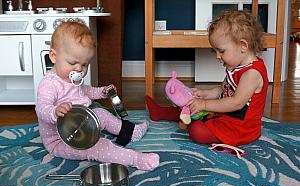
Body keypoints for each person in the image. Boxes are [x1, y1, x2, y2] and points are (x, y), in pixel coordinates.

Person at [35, 19, 159, 171]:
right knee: (98, 146)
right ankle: (136, 159)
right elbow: (41, 108)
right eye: (72, 63)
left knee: (100, 113)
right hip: (62, 140)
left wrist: (102, 92)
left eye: (84, 64)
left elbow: (83, 91)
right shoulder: (49, 84)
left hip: (81, 126)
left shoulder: (71, 79)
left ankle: (131, 132)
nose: (79, 70)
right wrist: (54, 111)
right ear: (53, 56)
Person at [146, 10, 268, 147]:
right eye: (215, 51)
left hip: (240, 127)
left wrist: (204, 104)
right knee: (191, 106)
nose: (217, 56)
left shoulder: (252, 73)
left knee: (197, 130)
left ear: (243, 46)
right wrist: (203, 94)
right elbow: (222, 90)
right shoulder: (235, 67)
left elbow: (236, 103)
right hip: (228, 114)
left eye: (221, 51)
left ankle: (192, 121)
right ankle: (160, 112)